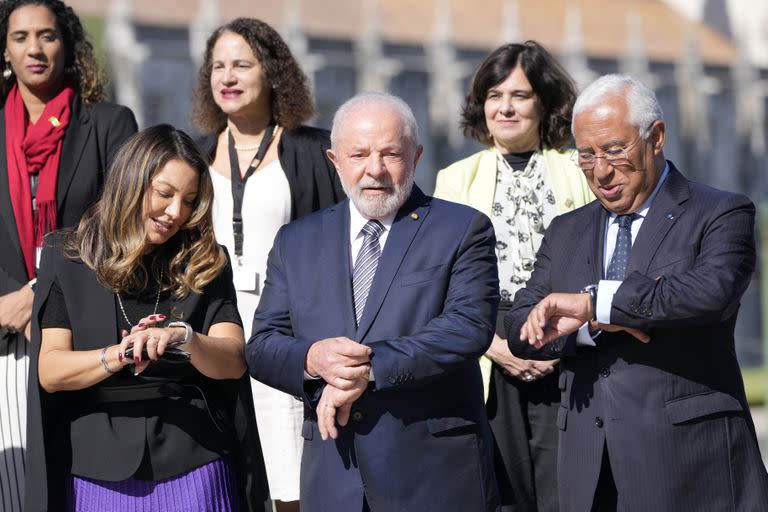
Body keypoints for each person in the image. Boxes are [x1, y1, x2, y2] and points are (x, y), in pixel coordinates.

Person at [504, 74, 768, 511]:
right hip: (589, 470)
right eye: (585, 156)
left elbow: (710, 293)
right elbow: (520, 325)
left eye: (614, 150)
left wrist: (595, 303)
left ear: (657, 137)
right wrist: (583, 327)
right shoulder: (566, 231)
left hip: (690, 465)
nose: (600, 170)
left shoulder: (720, 211)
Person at [246, 92, 500, 512]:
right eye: (359, 154)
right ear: (334, 160)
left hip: (433, 478)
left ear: (416, 156)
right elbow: (262, 347)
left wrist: (370, 367)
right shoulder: (296, 240)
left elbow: (467, 328)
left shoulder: (461, 228)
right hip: (334, 475)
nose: (375, 170)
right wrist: (312, 358)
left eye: (391, 154)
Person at [25, 125, 269, 512]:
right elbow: (51, 370)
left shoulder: (206, 260)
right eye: (165, 194)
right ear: (131, 180)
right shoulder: (67, 255)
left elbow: (234, 359)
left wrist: (184, 337)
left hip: (195, 458)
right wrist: (118, 354)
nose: (176, 213)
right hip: (96, 467)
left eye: (189, 200)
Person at [191, 18, 344, 511]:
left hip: (285, 329)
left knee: (291, 476)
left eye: (242, 64)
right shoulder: (192, 155)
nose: (227, 77)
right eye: (218, 66)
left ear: (272, 72)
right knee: (227, 472)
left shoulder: (310, 150)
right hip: (212, 327)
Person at [434, 41, 593, 512]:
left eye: (519, 96)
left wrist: (566, 339)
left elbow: (598, 259)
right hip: (488, 343)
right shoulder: (455, 179)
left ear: (543, 102)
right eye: (493, 95)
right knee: (502, 493)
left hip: (563, 339)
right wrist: (494, 345)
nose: (504, 107)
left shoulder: (578, 170)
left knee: (565, 490)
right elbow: (440, 280)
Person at [0, 1, 137, 509]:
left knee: (74, 484)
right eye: (20, 37)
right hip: (6, 333)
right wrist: (10, 305)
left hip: (84, 329)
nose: (34, 48)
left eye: (47, 36)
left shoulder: (108, 124)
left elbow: (124, 221)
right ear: (5, 48)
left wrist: (40, 295)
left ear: (69, 45)